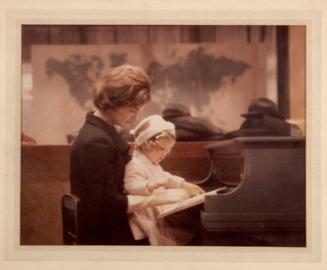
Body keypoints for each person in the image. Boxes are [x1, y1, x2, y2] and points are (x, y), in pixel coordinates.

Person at [70, 65, 190, 245]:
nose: (135, 118)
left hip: (112, 226)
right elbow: (105, 204)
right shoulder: (95, 142)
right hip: (106, 236)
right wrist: (159, 198)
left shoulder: (102, 133)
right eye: (132, 110)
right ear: (112, 101)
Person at [124, 114, 205, 245]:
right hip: (145, 217)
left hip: (157, 212)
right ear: (145, 144)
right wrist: (155, 183)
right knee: (173, 234)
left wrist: (184, 184)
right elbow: (131, 185)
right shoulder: (135, 164)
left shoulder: (152, 162)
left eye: (168, 151)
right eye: (161, 149)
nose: (164, 154)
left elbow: (167, 177)